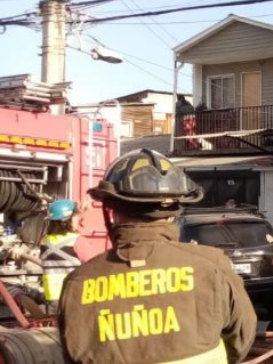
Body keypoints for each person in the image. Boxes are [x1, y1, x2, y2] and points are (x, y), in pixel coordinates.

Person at [58, 149, 256, 364]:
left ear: (111, 213)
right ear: (174, 211)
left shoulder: (78, 283)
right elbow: (241, 340)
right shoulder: (212, 266)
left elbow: (72, 354)